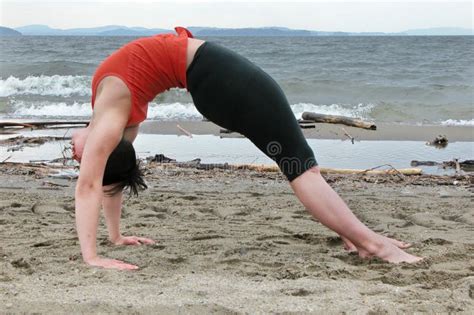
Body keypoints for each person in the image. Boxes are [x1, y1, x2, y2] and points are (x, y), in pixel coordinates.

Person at [71, 27, 422, 270]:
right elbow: (91, 184)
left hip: (215, 81)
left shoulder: (115, 120)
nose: (77, 154)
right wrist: (92, 256)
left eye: (81, 156)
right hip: (221, 83)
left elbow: (106, 178)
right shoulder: (112, 116)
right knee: (302, 168)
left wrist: (115, 238)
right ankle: (373, 245)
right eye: (83, 156)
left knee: (300, 164)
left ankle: (356, 235)